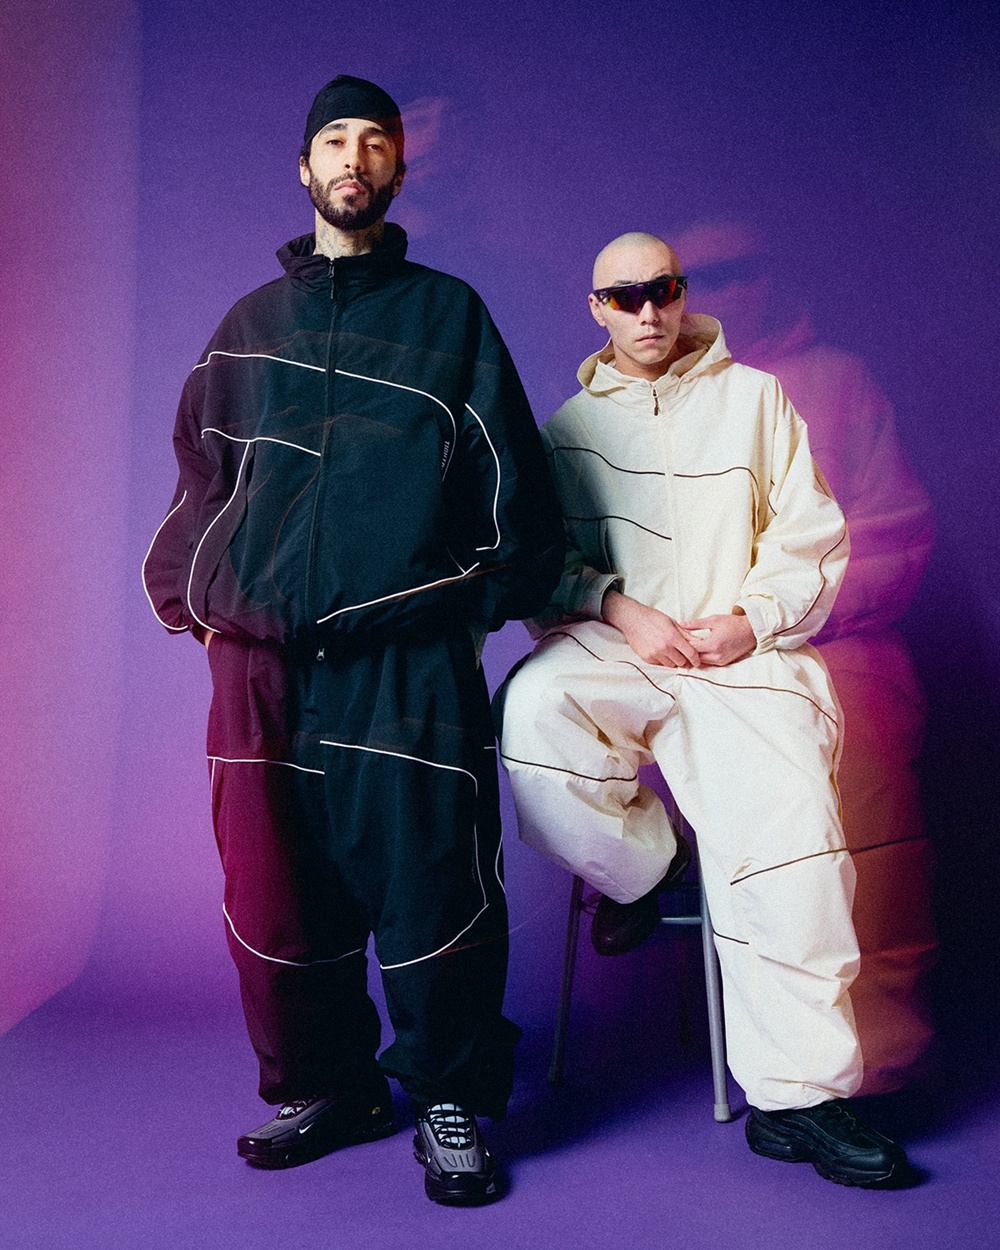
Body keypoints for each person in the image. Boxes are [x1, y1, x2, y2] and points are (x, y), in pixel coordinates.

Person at [142, 74, 563, 1206]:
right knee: (275, 891)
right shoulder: (247, 328)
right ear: (304, 166)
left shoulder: (449, 316)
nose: (355, 157)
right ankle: (332, 1085)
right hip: (260, 668)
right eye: (335, 138)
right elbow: (199, 480)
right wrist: (201, 602)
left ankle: (448, 1097)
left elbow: (514, 497)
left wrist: (457, 605)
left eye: (377, 141)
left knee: (434, 884)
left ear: (398, 170)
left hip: (404, 661)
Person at [496, 231, 913, 1187]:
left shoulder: (757, 399)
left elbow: (809, 535)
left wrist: (749, 621)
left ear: (683, 295)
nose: (648, 312)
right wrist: (618, 607)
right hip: (624, 645)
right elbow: (544, 564)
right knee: (532, 718)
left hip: (739, 654)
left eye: (664, 290)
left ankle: (799, 1099)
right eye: (625, 296)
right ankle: (651, 868)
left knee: (792, 842)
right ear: (596, 309)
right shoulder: (569, 430)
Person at [674, 221, 936, 1093]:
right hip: (696, 655)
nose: (720, 292)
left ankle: (876, 1052)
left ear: (771, 273)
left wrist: (781, 617)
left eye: (738, 269)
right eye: (696, 277)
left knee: (865, 763)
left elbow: (895, 532)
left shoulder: (838, 381)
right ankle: (632, 883)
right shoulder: (646, 399)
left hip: (831, 638)